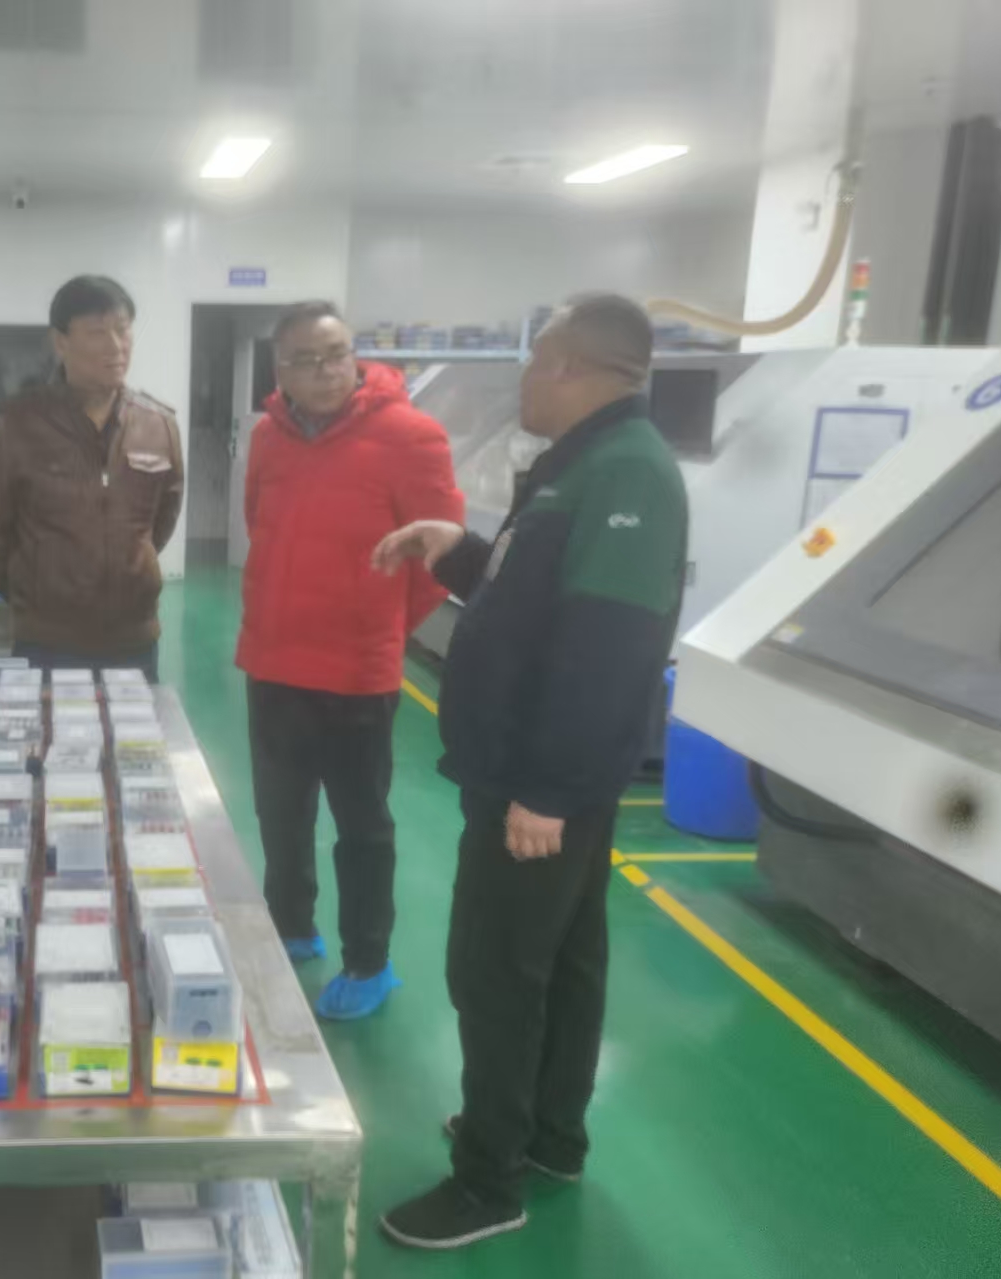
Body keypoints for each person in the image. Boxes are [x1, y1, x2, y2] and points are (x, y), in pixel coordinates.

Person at [371, 294, 687, 1249]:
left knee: (495, 971)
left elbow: (606, 648)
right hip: (536, 773)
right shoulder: (579, 465)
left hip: (539, 781)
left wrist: (545, 790)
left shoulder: (627, 471)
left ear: (572, 369)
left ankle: (486, 1182)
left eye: (534, 361)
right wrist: (457, 552)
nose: (523, 379)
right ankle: (548, 1136)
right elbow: (533, 601)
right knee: (564, 959)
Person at [236, 302, 462, 1021]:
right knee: (280, 814)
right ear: (280, 371)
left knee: (361, 826)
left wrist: (375, 625)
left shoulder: (410, 435)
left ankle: (368, 960)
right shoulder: (267, 437)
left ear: (354, 355)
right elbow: (258, 524)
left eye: (336, 354)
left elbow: (439, 557)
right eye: (305, 360)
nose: (326, 371)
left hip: (356, 674)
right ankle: (290, 927)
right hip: (273, 662)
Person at [0, 275, 183, 681]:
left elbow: (161, 520)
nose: (116, 346)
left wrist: (129, 570)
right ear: (60, 342)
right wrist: (32, 591)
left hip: (134, 641)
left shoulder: (158, 424)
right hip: (46, 643)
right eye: (97, 332)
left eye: (123, 329)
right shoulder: (16, 424)